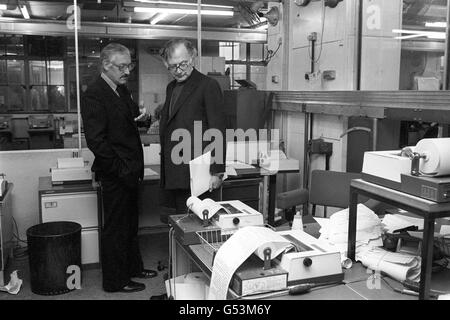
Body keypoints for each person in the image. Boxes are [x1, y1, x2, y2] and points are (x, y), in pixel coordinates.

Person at [81, 43, 157, 293]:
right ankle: (115, 281)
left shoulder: (121, 90)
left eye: (129, 65)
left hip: (131, 170)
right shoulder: (95, 93)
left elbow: (132, 118)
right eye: (122, 66)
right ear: (105, 65)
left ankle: (133, 268)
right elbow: (96, 140)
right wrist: (120, 169)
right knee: (115, 228)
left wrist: (143, 118)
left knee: (130, 224)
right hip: (116, 173)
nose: (127, 71)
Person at [159, 38, 226, 216]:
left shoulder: (208, 85)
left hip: (199, 174)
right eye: (173, 66)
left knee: (199, 227)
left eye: (183, 64)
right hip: (175, 171)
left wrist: (217, 171)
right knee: (179, 223)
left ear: (193, 58)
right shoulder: (171, 87)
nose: (178, 70)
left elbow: (217, 130)